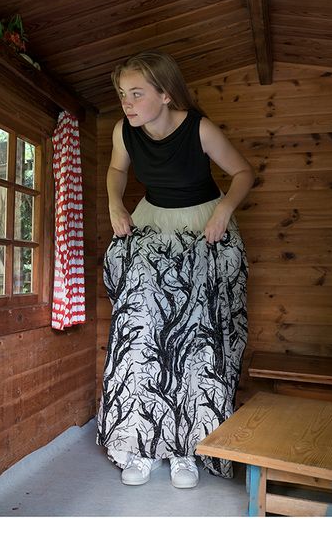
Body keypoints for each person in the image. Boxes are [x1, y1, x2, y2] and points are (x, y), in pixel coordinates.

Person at [96, 50, 253, 489]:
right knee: (140, 331)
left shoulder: (199, 128)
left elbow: (243, 172)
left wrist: (223, 211)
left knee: (197, 336)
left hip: (203, 225)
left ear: (165, 95)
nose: (127, 102)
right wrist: (114, 204)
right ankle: (139, 443)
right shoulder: (124, 131)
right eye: (122, 94)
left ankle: (187, 449)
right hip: (152, 222)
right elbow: (115, 169)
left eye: (136, 93)